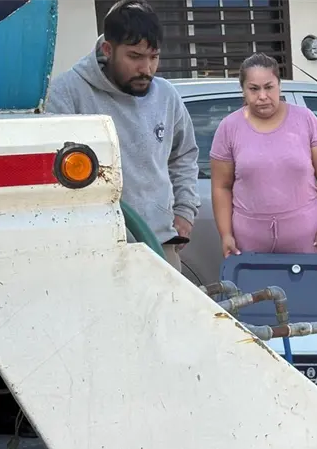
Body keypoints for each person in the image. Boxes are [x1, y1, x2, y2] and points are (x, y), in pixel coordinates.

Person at [45, 0, 201, 272]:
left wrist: (185, 211)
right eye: (135, 57)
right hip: (93, 251)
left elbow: (184, 155)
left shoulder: (166, 95)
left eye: (153, 57)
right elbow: (51, 177)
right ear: (108, 49)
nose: (146, 69)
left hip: (159, 243)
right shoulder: (67, 93)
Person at [209, 53, 317, 257]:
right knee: (254, 291)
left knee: (308, 289)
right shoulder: (229, 128)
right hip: (249, 241)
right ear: (243, 90)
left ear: (279, 85)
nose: (262, 96)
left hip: (306, 238)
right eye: (254, 89)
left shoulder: (304, 119)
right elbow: (221, 186)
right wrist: (225, 234)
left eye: (269, 87)